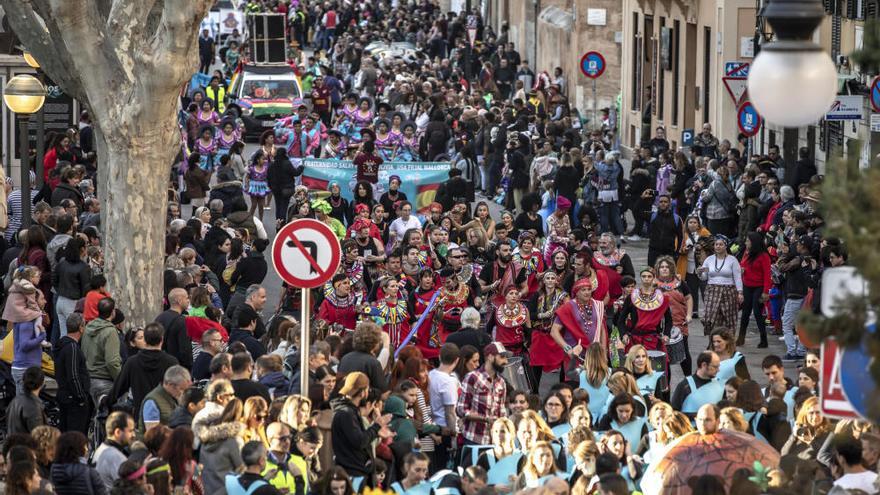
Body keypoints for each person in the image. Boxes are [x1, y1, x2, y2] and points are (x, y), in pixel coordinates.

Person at [109, 322, 179, 424]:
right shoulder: (171, 362)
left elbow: (118, 388)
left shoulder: (132, 362)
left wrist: (105, 403)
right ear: (162, 339)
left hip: (141, 416)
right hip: (166, 417)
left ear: (145, 340)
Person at [330, 372, 393, 482]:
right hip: (353, 472)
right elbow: (360, 441)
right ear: (363, 392)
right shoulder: (347, 413)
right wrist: (377, 426)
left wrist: (376, 432)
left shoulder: (349, 411)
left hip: (354, 471)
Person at [456, 342, 510, 447]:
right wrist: (485, 418)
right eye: (502, 357)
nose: (506, 361)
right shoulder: (472, 377)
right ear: (490, 357)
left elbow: (502, 410)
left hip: (495, 441)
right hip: (474, 439)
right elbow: (461, 409)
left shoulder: (502, 382)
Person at [52, 313, 91, 435]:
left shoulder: (63, 345)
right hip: (73, 400)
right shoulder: (72, 348)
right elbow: (73, 375)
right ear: (80, 328)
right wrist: (81, 397)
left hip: (66, 396)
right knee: (75, 435)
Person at [698, 236, 743, 336]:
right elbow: (704, 277)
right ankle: (714, 340)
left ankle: (728, 341)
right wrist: (700, 273)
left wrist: (740, 292)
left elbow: (737, 277)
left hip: (729, 291)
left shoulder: (732, 260)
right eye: (716, 244)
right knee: (710, 317)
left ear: (725, 246)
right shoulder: (709, 260)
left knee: (729, 318)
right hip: (712, 290)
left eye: (721, 244)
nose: (718, 246)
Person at [428, 343, 460, 469]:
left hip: (432, 427)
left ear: (440, 357)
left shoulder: (430, 374)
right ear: (457, 360)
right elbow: (450, 412)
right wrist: (453, 435)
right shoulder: (448, 381)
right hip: (445, 430)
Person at [739, 231, 772, 347]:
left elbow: (768, 275)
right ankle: (741, 338)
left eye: (748, 241)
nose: (746, 242)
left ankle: (764, 339)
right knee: (745, 313)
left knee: (757, 312)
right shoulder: (747, 252)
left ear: (754, 242)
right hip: (747, 285)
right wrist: (741, 270)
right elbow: (741, 264)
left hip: (759, 287)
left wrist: (765, 292)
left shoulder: (764, 256)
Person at [139, 365, 192, 432]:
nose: (183, 393)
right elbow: (152, 433)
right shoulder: (152, 402)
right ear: (170, 385)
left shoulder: (175, 397)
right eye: (181, 389)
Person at [50, 431, 104, 495]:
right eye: (85, 446)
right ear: (79, 448)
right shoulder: (90, 473)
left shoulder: (54, 471)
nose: (87, 450)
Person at [670, 351, 723, 415]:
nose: (718, 370)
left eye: (718, 366)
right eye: (715, 367)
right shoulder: (685, 386)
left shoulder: (719, 384)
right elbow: (674, 412)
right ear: (704, 365)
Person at [93, 412, 135, 491]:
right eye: (130, 431)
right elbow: (129, 487)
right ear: (118, 432)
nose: (134, 435)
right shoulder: (114, 456)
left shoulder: (102, 449)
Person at [156, 287, 193, 369]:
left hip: (161, 365)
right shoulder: (182, 321)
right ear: (179, 301)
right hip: (178, 368)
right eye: (187, 298)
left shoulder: (160, 317)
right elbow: (185, 350)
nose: (188, 300)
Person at [6, 366, 47, 434]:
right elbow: (38, 436)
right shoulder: (33, 407)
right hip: (26, 443)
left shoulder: (15, 401)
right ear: (42, 383)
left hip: (14, 442)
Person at [646, 194, 684, 266]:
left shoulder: (676, 219)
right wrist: (642, 199)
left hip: (669, 253)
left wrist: (677, 253)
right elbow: (637, 211)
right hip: (654, 252)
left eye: (665, 202)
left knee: (667, 275)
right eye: (661, 202)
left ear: (669, 203)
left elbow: (680, 237)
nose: (663, 203)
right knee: (653, 274)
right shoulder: (653, 216)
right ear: (658, 203)